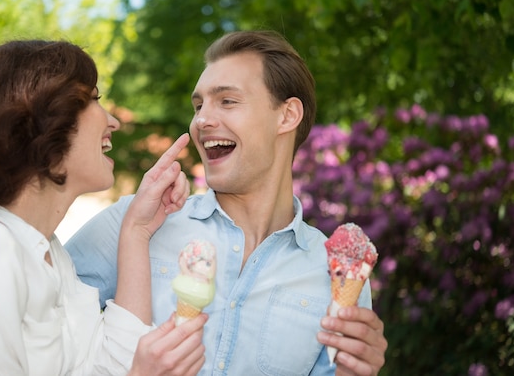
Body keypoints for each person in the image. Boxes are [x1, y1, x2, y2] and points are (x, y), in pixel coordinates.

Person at [66, 30, 388, 375]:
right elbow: (36, 331)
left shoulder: (336, 275)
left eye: (227, 101)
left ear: (287, 115)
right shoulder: (134, 221)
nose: (201, 120)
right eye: (198, 105)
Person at [0, 40, 208, 376]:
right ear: (41, 123)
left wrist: (137, 230)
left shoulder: (48, 254)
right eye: (94, 99)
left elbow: (107, 367)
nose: (113, 120)